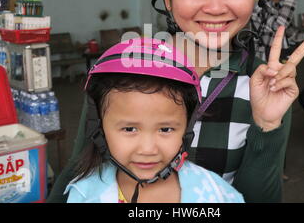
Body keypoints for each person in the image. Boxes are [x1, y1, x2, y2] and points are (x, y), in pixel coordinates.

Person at [48, 0, 304, 203]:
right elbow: (79, 169)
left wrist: (267, 127)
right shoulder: (122, 69)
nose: (216, 7)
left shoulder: (265, 83)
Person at [64, 37, 244, 203]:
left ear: (187, 127)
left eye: (165, 129)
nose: (148, 149)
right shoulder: (83, 195)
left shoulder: (218, 195)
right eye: (129, 129)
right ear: (99, 127)